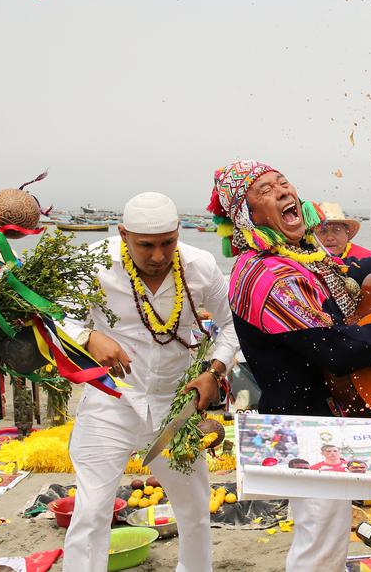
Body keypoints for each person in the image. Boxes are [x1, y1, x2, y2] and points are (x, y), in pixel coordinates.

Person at [210, 159, 371, 572]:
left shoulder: (294, 255)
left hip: (322, 419)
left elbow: (344, 274)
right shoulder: (266, 277)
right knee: (319, 538)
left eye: (283, 182)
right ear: (245, 215)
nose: (283, 191)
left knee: (329, 530)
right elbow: (333, 348)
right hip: (302, 427)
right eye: (265, 190)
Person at [61, 192, 239, 572]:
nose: (158, 256)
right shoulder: (92, 263)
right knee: (91, 510)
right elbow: (55, 316)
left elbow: (231, 326)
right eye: (146, 245)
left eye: (167, 243)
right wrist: (89, 338)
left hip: (175, 406)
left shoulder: (200, 266)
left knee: (193, 509)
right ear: (123, 234)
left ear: (178, 234)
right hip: (110, 402)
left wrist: (214, 371)